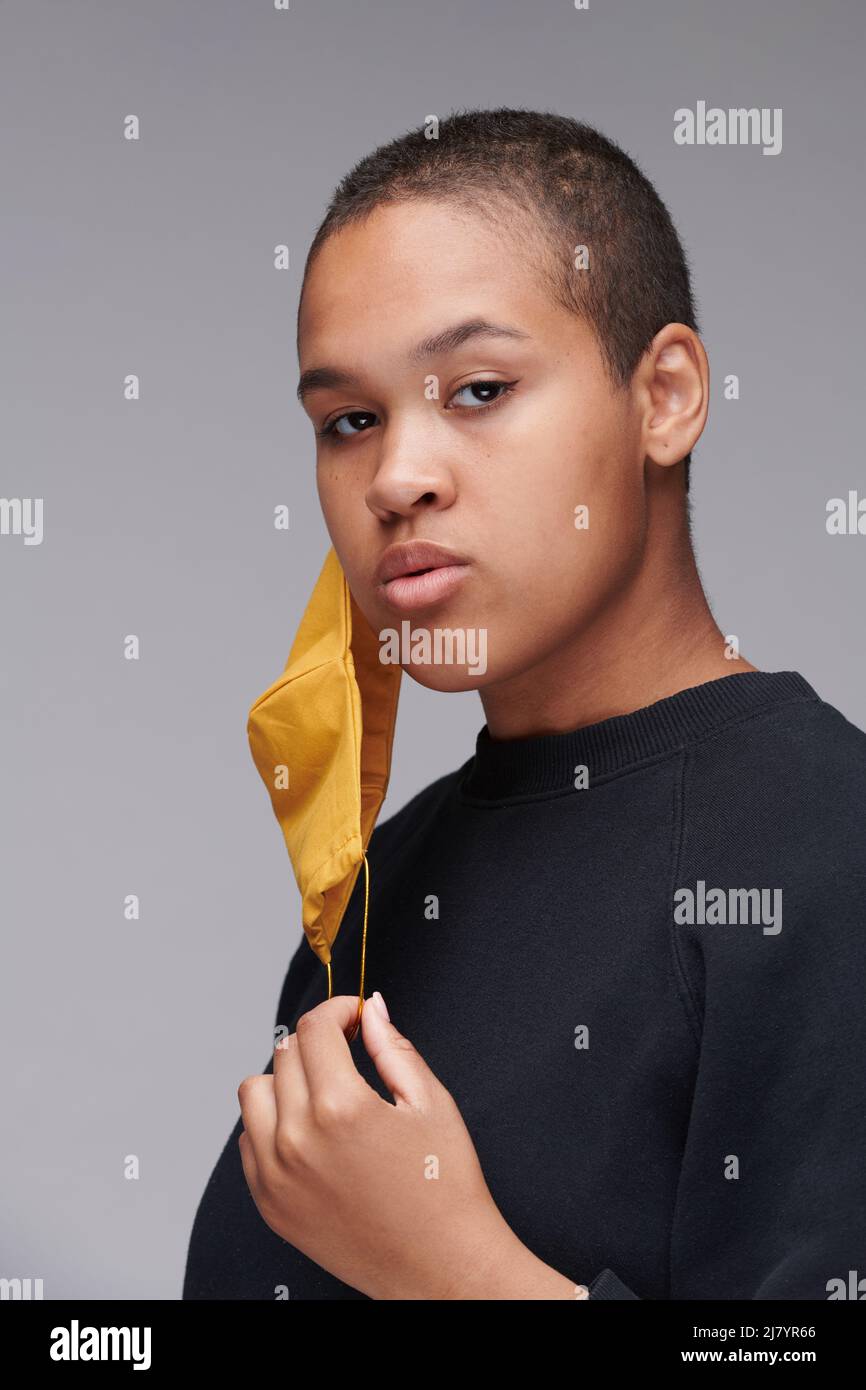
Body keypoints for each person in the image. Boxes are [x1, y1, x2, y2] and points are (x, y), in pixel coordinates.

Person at [183, 108, 866, 1300]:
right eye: (349, 420)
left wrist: (450, 1266)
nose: (396, 475)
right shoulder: (372, 883)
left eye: (479, 388)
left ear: (663, 396)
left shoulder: (829, 849)